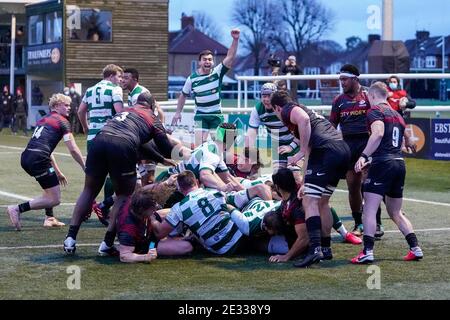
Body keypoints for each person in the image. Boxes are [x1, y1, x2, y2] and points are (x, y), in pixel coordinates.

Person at [63, 92, 175, 255]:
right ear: (152, 105)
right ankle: (107, 243)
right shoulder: (151, 116)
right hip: (121, 145)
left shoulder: (125, 111)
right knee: (124, 195)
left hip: (99, 141)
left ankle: (70, 238)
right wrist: (177, 153)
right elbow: (164, 146)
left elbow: (137, 140)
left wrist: (159, 159)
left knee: (89, 190)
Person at [271, 91, 351, 268]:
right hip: (341, 150)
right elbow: (309, 153)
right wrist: (306, 180)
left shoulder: (288, 110)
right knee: (322, 202)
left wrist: (299, 151)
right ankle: (326, 248)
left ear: (277, 107)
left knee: (309, 202)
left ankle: (315, 250)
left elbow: (304, 121)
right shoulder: (306, 114)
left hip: (326, 151)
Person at [351, 82, 423, 264]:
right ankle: (415, 248)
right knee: (395, 212)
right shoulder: (397, 114)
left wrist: (364, 155)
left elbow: (378, 133)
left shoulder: (374, 111)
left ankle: (367, 251)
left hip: (383, 164)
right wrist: (408, 143)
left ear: (372, 95)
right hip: (399, 164)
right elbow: (405, 136)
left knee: (369, 209)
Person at [6, 93, 85, 230]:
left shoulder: (44, 119)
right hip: (38, 160)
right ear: (55, 106)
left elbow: (48, 150)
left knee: (49, 189)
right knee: (55, 199)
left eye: (69, 105)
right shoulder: (62, 121)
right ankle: (17, 209)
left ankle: (49, 218)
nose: (69, 108)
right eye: (65, 105)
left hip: (28, 157)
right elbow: (72, 148)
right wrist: (84, 166)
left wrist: (58, 171)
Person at [330, 64, 384, 238]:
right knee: (353, 186)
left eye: (345, 79)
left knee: (369, 185)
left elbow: (385, 116)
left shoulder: (369, 96)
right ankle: (359, 223)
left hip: (367, 144)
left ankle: (377, 223)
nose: (342, 82)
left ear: (355, 79)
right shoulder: (338, 100)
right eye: (340, 79)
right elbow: (331, 126)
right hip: (348, 147)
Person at [268, 169, 361, 264]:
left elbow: (304, 238)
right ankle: (333, 240)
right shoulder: (293, 196)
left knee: (264, 242)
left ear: (277, 187)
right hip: (306, 236)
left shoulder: (296, 204)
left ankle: (340, 236)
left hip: (307, 241)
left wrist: (286, 256)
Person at [149, 171, 246, 255]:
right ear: (197, 182)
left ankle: (150, 246)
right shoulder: (215, 193)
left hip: (220, 248)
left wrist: (152, 217)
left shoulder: (178, 208)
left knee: (186, 241)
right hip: (239, 238)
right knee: (187, 245)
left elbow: (160, 233)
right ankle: (149, 246)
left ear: (180, 189)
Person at [172, 29, 240, 145]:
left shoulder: (217, 73)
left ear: (213, 62)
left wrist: (235, 40)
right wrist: (178, 112)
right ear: (199, 62)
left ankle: (220, 162)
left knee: (218, 145)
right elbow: (183, 96)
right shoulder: (192, 79)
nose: (207, 62)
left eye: (210, 59)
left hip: (216, 115)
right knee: (199, 146)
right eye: (204, 60)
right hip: (200, 116)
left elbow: (230, 57)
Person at [77, 64, 124, 222]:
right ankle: (105, 208)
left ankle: (83, 210)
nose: (120, 80)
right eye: (119, 77)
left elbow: (80, 111)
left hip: (93, 138)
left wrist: (85, 126)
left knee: (92, 176)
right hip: (109, 137)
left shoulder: (90, 90)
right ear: (111, 76)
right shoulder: (114, 89)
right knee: (112, 174)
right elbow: (119, 112)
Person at [118, 188, 193, 263]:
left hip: (149, 227)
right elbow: (124, 256)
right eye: (152, 208)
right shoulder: (128, 228)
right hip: (149, 244)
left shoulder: (134, 201)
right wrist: (145, 257)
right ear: (141, 209)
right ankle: (183, 238)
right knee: (186, 247)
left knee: (179, 211)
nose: (156, 207)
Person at [246, 82, 301, 173]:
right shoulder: (257, 110)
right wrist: (249, 155)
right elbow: (251, 133)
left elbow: (301, 130)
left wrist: (291, 146)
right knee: (277, 176)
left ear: (275, 96)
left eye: (269, 96)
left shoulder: (286, 106)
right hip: (278, 147)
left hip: (295, 144)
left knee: (296, 175)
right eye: (264, 96)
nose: (266, 99)